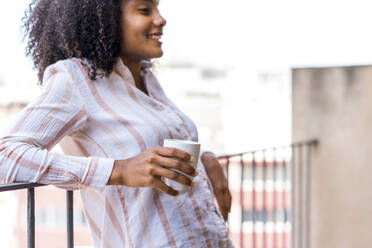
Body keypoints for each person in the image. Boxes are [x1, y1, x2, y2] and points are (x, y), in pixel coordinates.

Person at [0, 0, 233, 247]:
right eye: (145, 10)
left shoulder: (146, 78)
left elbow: (162, 140)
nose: (161, 19)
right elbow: (5, 155)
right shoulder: (76, 79)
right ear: (106, 21)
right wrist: (118, 170)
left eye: (158, 8)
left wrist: (205, 158)